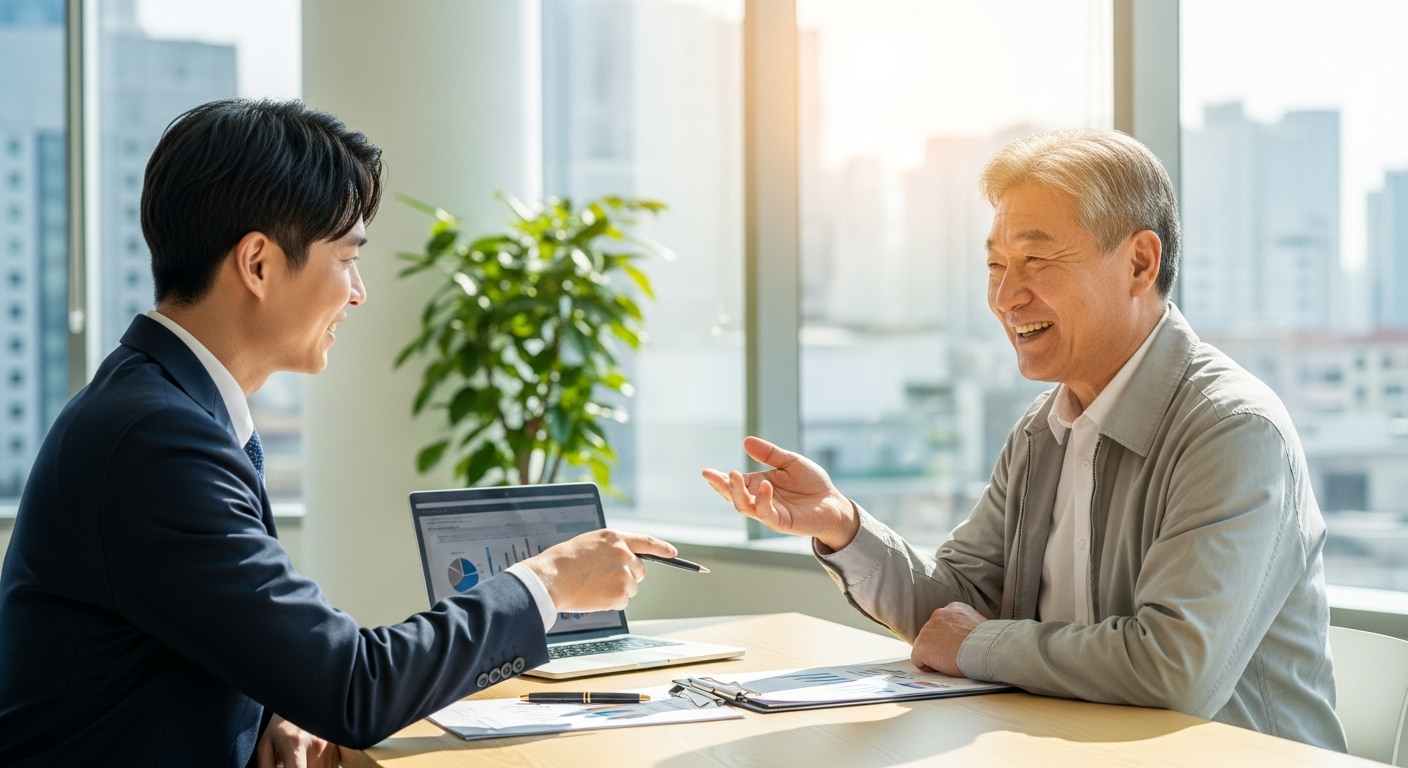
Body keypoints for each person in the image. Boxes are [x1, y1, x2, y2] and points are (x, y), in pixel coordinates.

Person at [0, 99, 678, 768]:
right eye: (347, 257)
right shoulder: (157, 438)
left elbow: (202, 625)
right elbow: (355, 686)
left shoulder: (165, 406)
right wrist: (551, 577)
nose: (358, 292)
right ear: (258, 263)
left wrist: (274, 702)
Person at [704, 129, 1346, 750]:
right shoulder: (1044, 430)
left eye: (1037, 259)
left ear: (1139, 263)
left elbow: (1172, 670)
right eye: (995, 264)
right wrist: (843, 524)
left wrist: (981, 645)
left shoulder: (1232, 430)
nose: (1007, 296)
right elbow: (953, 609)